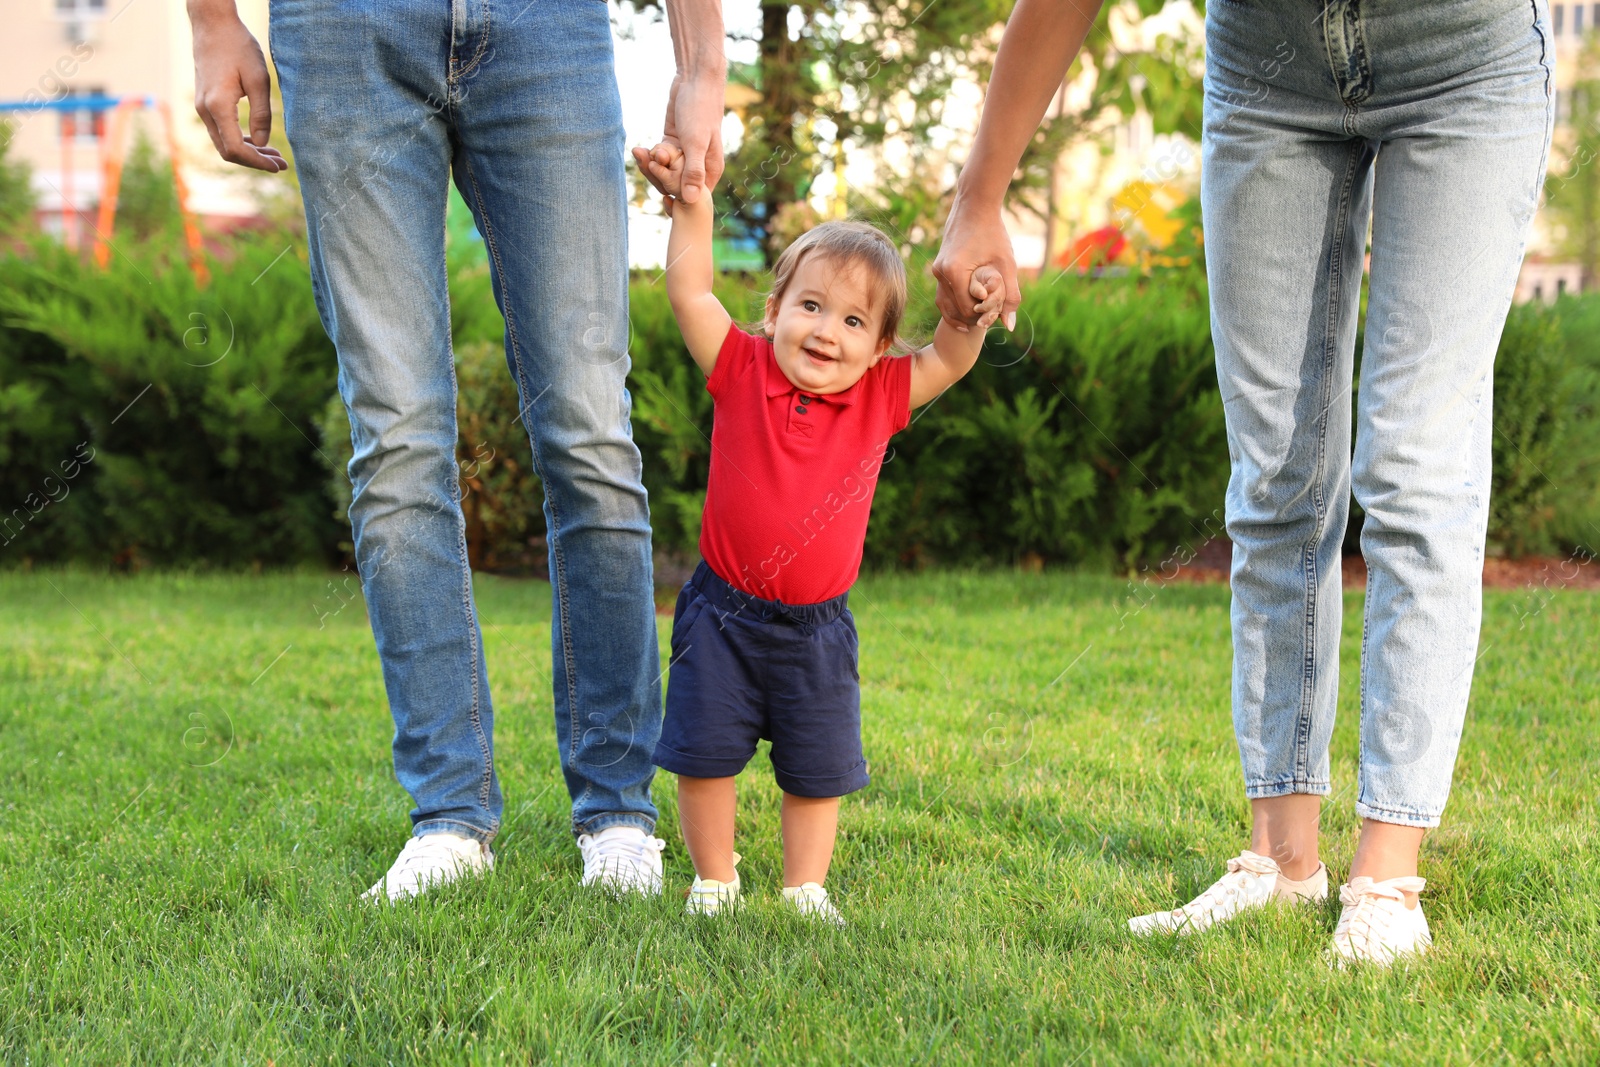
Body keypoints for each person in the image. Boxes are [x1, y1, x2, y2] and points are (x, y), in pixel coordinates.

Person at [933, 0, 1553, 964]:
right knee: (1275, 478)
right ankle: (1283, 861)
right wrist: (981, 193)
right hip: (1268, 70)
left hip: (1463, 62)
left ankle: (1386, 876)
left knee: (1415, 466)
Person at [186, 0, 728, 901]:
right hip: (342, 28)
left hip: (547, 26)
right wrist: (211, 21)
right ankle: (447, 814)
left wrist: (702, 65)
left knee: (589, 425)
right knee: (395, 435)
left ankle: (619, 810)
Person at [635, 141, 1001, 922]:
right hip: (720, 615)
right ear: (774, 312)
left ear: (878, 347)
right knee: (703, 756)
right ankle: (715, 879)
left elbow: (952, 355)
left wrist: (970, 305)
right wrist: (694, 205)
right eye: (810, 306)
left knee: (817, 769)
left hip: (817, 633)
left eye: (854, 319)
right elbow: (691, 289)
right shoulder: (741, 368)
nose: (827, 330)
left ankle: (805, 887)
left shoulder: (882, 396)